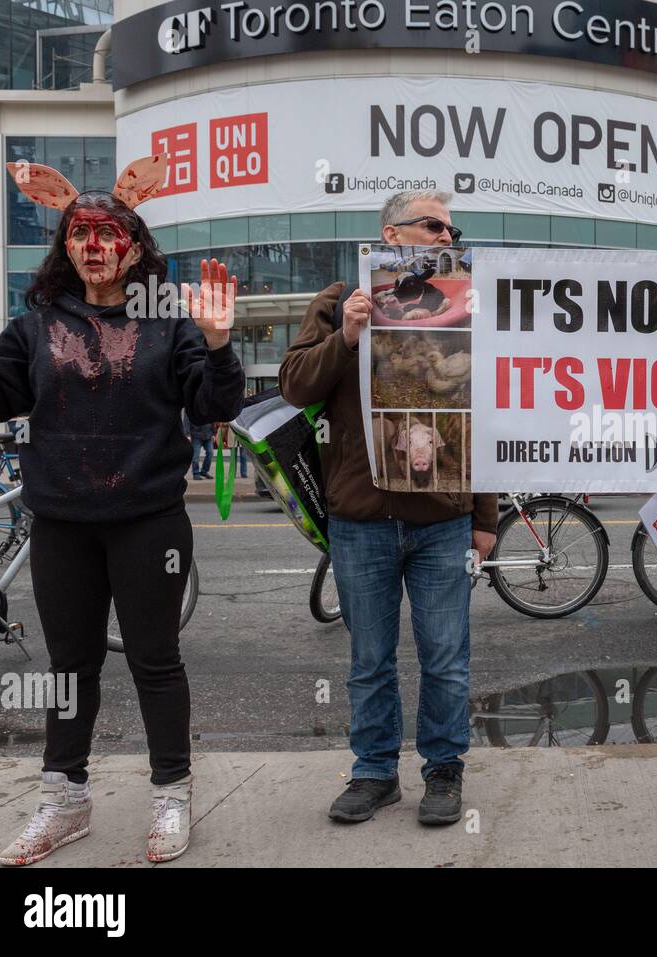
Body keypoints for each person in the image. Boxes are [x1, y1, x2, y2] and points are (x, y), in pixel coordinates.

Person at [0, 156, 244, 865]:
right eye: (80, 232)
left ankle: (171, 793)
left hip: (147, 520)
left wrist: (218, 345)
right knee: (71, 664)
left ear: (134, 245)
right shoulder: (37, 324)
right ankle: (63, 799)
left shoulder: (169, 321)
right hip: (62, 524)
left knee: (156, 661)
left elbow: (215, 405)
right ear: (64, 244)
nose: (94, 244)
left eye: (108, 231)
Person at [279, 190, 497, 827]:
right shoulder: (341, 298)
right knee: (368, 659)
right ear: (391, 233)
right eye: (433, 226)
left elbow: (481, 413)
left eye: (451, 229)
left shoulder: (465, 302)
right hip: (362, 518)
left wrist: (483, 518)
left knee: (446, 657)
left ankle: (443, 770)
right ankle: (374, 772)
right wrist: (347, 335)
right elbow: (295, 386)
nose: (444, 237)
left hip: (443, 518)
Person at [185, 413, 214, 478]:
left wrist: (213, 433)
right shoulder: (191, 405)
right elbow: (186, 421)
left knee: (210, 453)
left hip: (208, 435)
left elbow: (212, 419)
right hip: (196, 435)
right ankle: (196, 473)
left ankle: (204, 471)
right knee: (195, 456)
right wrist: (187, 434)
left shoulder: (208, 405)